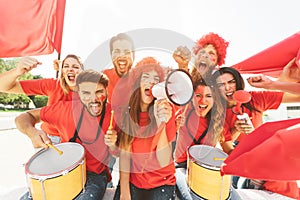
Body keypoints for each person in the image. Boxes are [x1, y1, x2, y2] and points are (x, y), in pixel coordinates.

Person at [15, 69, 118, 200]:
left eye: (99, 92)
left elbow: (120, 154)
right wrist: (33, 132)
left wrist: (114, 145)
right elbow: (24, 117)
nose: (94, 99)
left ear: (106, 91)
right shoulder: (65, 109)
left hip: (95, 175)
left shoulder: (115, 115)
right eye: (86, 93)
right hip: (65, 171)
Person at [211, 67, 300, 198]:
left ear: (238, 83)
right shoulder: (216, 113)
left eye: (231, 82)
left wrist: (272, 85)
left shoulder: (255, 99)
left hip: (266, 155)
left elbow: (296, 97)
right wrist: (236, 130)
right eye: (221, 85)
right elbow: (228, 150)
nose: (228, 88)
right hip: (240, 163)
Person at [112, 58, 177, 200]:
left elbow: (164, 159)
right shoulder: (126, 112)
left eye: (156, 79)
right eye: (146, 77)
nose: (151, 82)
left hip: (162, 181)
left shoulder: (167, 109)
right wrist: (124, 193)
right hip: (134, 181)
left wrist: (161, 123)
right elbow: (124, 155)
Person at [0, 55, 84, 144]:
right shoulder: (53, 85)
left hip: (78, 141)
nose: (70, 69)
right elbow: (3, 86)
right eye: (66, 66)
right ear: (62, 72)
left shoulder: (93, 91)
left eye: (75, 67)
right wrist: (17, 71)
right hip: (51, 140)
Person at [174, 78, 234, 200]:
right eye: (198, 95)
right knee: (189, 197)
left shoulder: (218, 121)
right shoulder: (183, 111)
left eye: (208, 96)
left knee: (231, 196)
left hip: (207, 170)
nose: (203, 100)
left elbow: (229, 150)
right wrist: (174, 126)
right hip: (181, 167)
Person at [103, 32, 135, 103]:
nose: (122, 55)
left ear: (133, 56)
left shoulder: (141, 77)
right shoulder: (103, 76)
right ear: (111, 55)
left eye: (127, 52)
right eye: (117, 51)